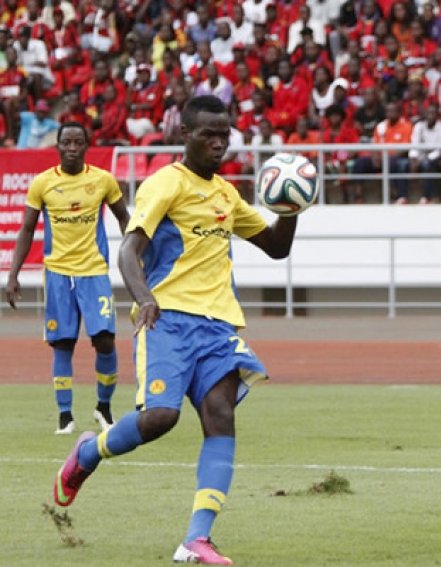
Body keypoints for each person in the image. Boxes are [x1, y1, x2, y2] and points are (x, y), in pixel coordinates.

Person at [52, 95, 299, 565]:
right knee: (160, 419)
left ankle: (196, 539)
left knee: (221, 415)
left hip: (218, 325)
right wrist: (145, 297)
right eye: (209, 134)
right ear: (184, 135)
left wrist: (291, 209)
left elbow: (275, 248)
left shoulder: (227, 195)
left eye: (225, 134)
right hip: (166, 319)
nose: (219, 143)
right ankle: (89, 452)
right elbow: (129, 251)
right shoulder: (165, 184)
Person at [5, 121, 130, 434]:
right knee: (63, 343)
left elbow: (125, 218)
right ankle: (65, 415)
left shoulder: (103, 180)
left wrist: (139, 256)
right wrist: (13, 274)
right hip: (58, 273)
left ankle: (104, 407)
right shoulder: (43, 184)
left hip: (94, 271)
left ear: (86, 146)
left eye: (78, 142)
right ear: (58, 146)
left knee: (104, 339)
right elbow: (26, 229)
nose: (72, 148)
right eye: (67, 143)